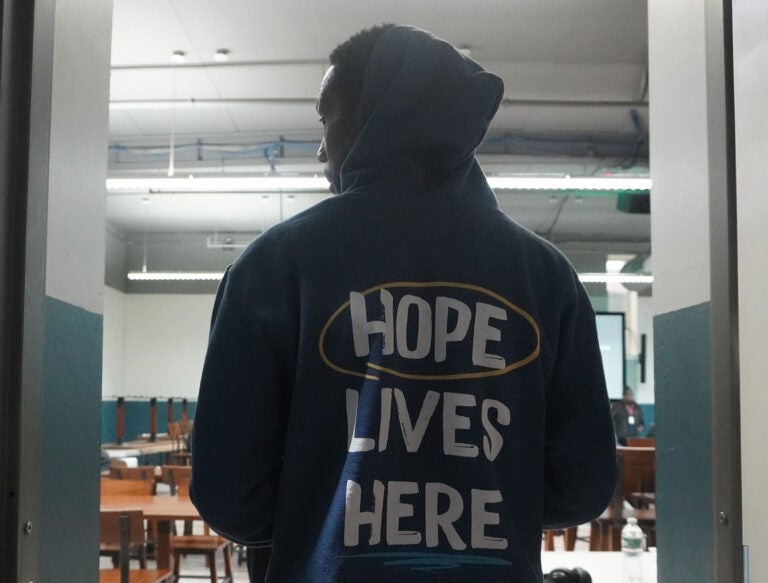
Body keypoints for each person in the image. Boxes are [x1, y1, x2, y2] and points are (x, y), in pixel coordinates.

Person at [191, 24, 617, 582]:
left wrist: (326, 513)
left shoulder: (272, 267)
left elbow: (228, 497)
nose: (320, 148)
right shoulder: (548, 277)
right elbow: (580, 490)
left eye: (326, 118)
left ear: (374, 114)